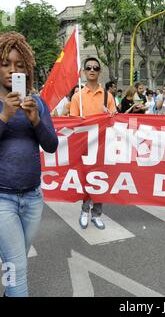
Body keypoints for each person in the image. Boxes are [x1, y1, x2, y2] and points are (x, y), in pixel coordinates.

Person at [0, 32, 58, 297]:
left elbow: (51, 145)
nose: (12, 70)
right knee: (17, 269)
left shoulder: (37, 103)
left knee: (15, 264)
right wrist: (5, 115)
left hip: (32, 199)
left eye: (19, 65)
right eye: (6, 63)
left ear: (27, 69)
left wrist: (35, 120)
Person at [70, 57, 117, 230]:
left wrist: (110, 114)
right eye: (88, 67)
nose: (92, 70)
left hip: (103, 145)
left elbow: (116, 121)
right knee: (86, 180)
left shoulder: (108, 96)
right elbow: (73, 124)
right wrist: (80, 121)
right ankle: (84, 211)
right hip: (84, 146)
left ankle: (96, 214)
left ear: (99, 72)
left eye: (95, 68)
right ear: (84, 71)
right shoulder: (78, 97)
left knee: (101, 181)